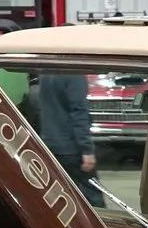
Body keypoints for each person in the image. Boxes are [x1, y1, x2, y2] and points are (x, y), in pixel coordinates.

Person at [34, 72, 100, 205]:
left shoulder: (46, 73)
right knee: (93, 201)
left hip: (50, 145)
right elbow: (79, 112)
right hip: (72, 148)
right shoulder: (74, 74)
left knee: (60, 199)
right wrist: (87, 150)